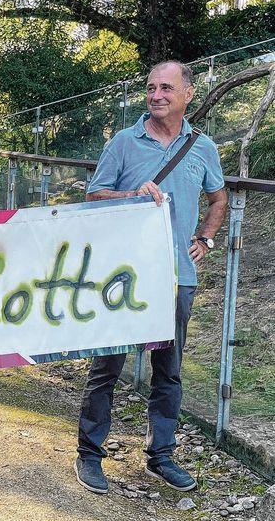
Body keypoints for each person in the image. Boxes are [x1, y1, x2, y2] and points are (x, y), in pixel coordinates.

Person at [74, 60, 228, 494]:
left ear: (188, 94)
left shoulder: (204, 147)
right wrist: (132, 194)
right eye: (150, 88)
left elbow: (219, 199)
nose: (156, 95)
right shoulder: (124, 142)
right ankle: (89, 455)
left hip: (176, 277)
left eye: (165, 88)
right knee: (107, 367)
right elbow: (94, 197)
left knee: (169, 370)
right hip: (123, 277)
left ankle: (161, 457)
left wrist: (207, 239)